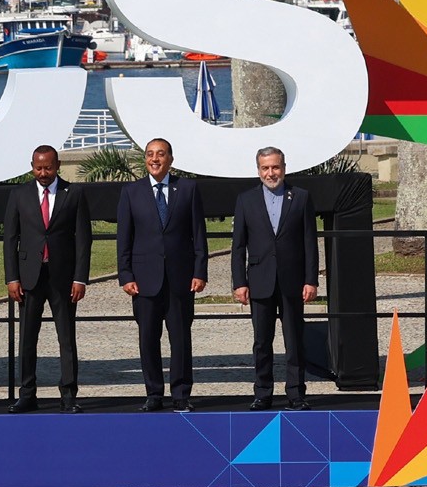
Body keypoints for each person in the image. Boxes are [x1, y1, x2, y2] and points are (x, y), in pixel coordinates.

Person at [115, 137, 209, 412]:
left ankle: (181, 394)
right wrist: (125, 274)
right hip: (144, 280)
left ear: (170, 159)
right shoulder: (132, 192)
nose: (154, 159)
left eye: (160, 154)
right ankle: (153, 393)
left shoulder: (188, 189)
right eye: (149, 155)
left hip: (181, 279)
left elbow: (198, 235)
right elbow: (125, 238)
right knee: (148, 338)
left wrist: (199, 271)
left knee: (180, 338)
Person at [230, 145, 320, 411]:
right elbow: (238, 247)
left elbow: (309, 243)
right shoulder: (246, 200)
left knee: (294, 341)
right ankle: (262, 393)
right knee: (261, 342)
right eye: (265, 168)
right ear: (258, 170)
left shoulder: (301, 197)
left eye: (275, 167)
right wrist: (239, 283)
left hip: (293, 281)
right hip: (259, 281)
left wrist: (311, 280)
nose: (271, 173)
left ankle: (295, 393)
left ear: (284, 167)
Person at [2, 144, 90, 414]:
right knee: (28, 338)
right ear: (32, 166)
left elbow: (84, 240)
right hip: (29, 278)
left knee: (66, 338)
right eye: (38, 168)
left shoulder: (73, 193)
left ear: (58, 165)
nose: (43, 172)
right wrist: (12, 278)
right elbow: (10, 240)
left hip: (63, 278)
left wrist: (80, 278)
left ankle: (68, 395)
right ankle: (27, 394)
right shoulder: (19, 194)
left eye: (48, 167)